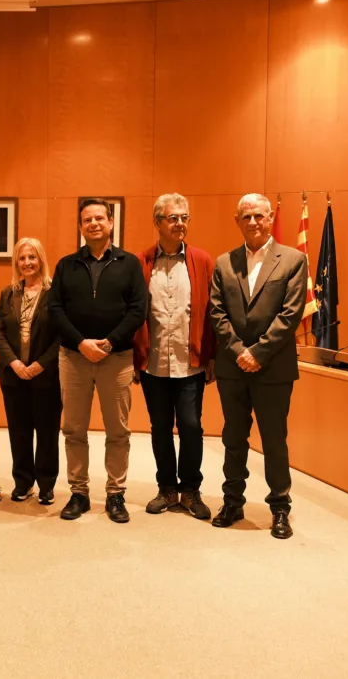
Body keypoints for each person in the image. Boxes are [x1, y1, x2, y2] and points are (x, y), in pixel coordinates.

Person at [209, 193, 307, 539]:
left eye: (259, 216)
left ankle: (280, 508)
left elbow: (291, 313)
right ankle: (232, 502)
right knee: (233, 438)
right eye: (246, 216)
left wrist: (259, 353)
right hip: (232, 366)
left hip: (273, 368)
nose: (253, 222)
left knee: (274, 440)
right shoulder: (224, 263)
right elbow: (217, 312)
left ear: (270, 218)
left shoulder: (293, 259)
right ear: (237, 221)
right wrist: (240, 351)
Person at [49, 197, 146, 523]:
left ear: (111, 223)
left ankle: (115, 494)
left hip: (116, 358)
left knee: (118, 431)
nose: (93, 224)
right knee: (74, 429)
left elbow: (138, 310)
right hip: (73, 358)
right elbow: (55, 309)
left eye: (99, 218)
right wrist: (80, 342)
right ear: (80, 226)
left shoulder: (129, 263)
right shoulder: (66, 265)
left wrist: (110, 341)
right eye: (87, 219)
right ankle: (79, 493)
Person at [133, 194, 216, 520]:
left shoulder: (202, 261)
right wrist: (135, 359)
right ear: (157, 222)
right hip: (153, 364)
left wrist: (211, 356)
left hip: (189, 363)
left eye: (184, 217)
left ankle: (191, 490)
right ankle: (167, 488)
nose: (180, 223)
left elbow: (213, 312)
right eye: (173, 218)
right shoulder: (141, 262)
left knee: (192, 427)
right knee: (160, 428)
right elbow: (133, 313)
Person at [0, 238, 61, 505]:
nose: (27, 263)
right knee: (19, 432)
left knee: (47, 432)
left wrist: (41, 364)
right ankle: (23, 481)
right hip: (13, 375)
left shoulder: (55, 292)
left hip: (46, 375)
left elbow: (61, 335)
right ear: (16, 263)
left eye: (32, 257)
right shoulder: (9, 293)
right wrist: (14, 363)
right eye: (22, 258)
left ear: (41, 259)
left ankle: (46, 485)